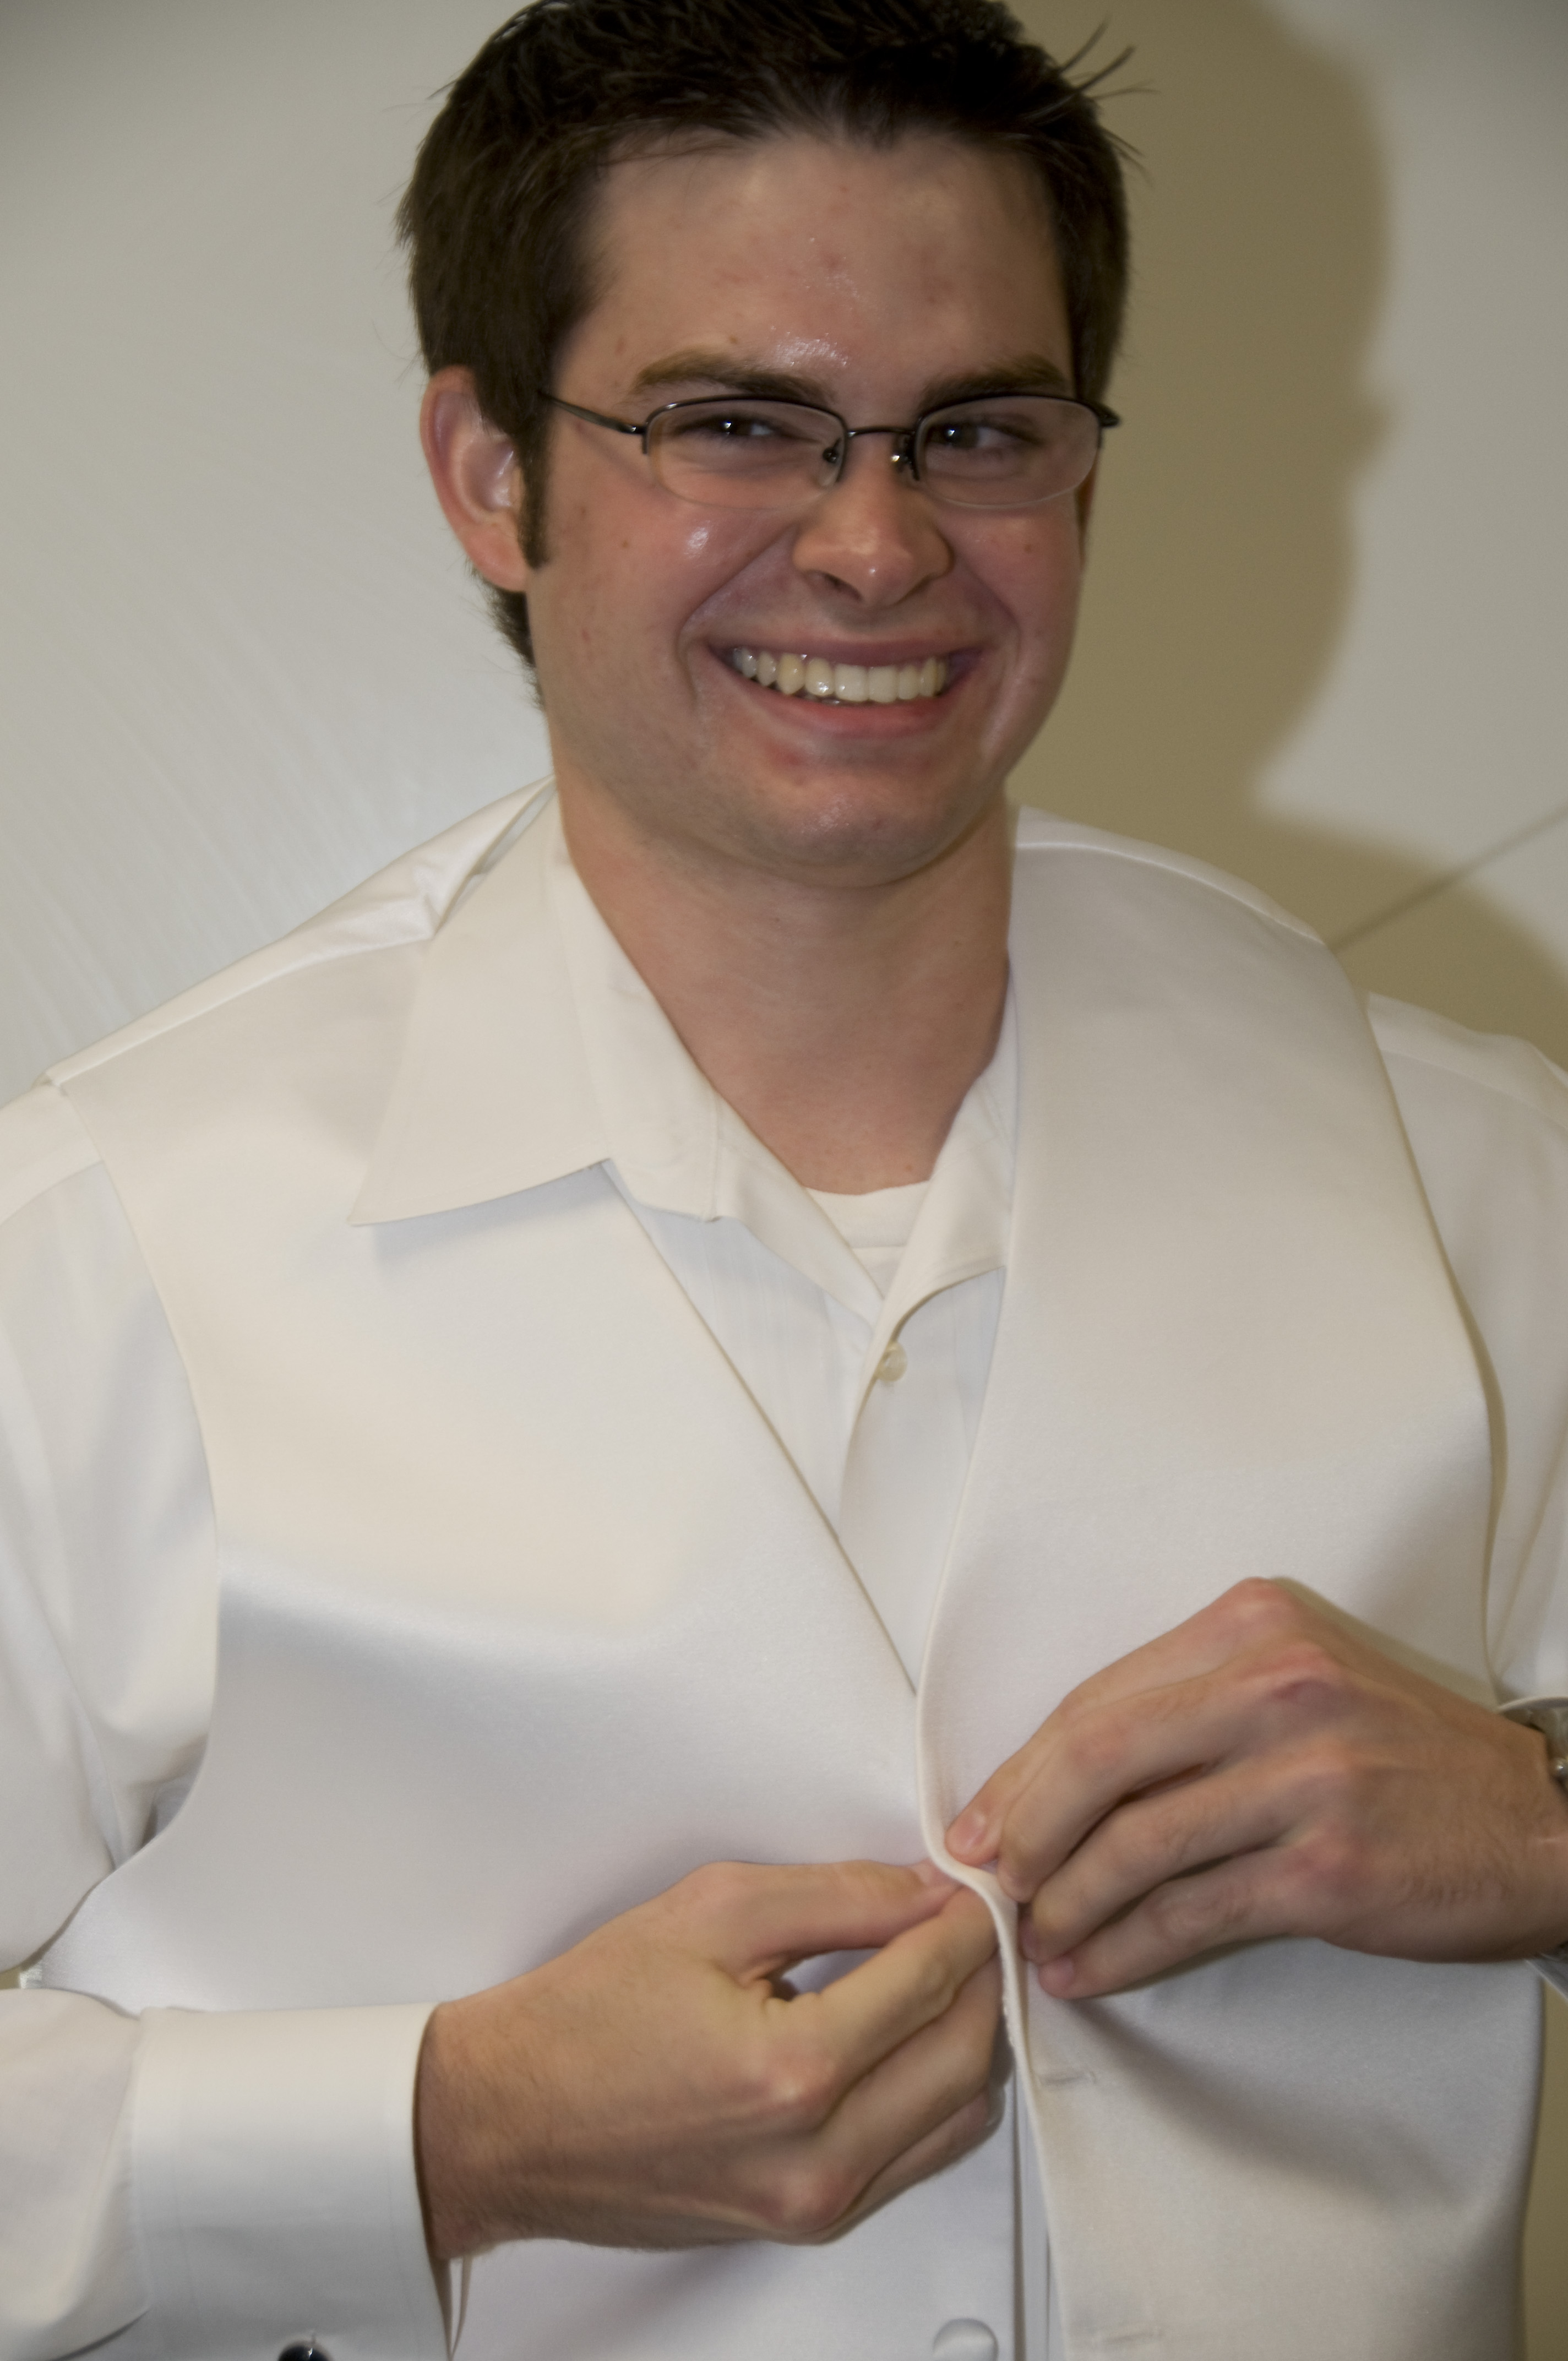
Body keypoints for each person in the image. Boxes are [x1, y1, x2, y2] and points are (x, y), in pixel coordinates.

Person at [4, 2, 1568, 2355]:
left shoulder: (1489, 1177)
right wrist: (439, 2133)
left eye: (979, 432)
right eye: (736, 423)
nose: (874, 544)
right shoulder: (102, 1243)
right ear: (489, 474)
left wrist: (1551, 1832)